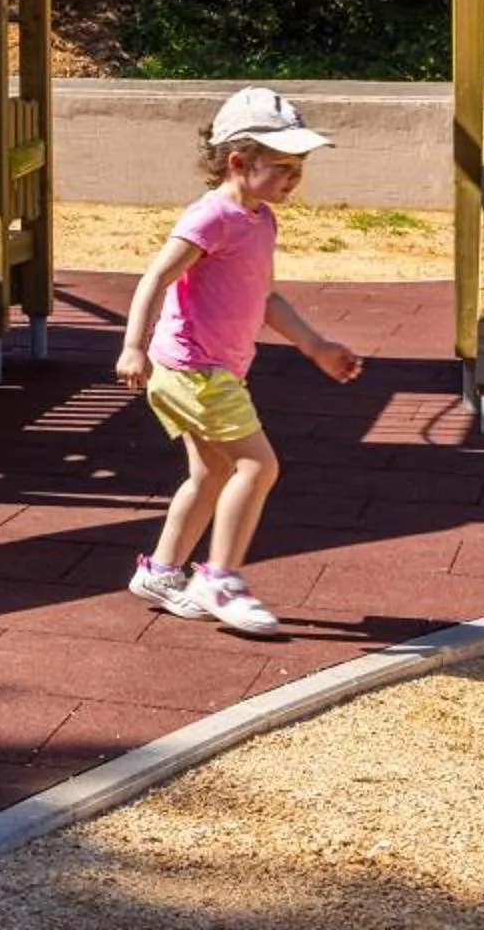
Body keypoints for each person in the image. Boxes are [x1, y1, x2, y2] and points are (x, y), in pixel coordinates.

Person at [117, 87, 363, 637]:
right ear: (237, 162)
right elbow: (156, 277)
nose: (293, 177)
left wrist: (315, 347)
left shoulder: (261, 219)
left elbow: (267, 298)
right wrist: (133, 344)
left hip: (214, 369)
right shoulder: (212, 217)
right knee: (259, 466)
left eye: (298, 166)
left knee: (213, 472)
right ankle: (220, 579)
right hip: (191, 369)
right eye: (281, 166)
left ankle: (160, 572)